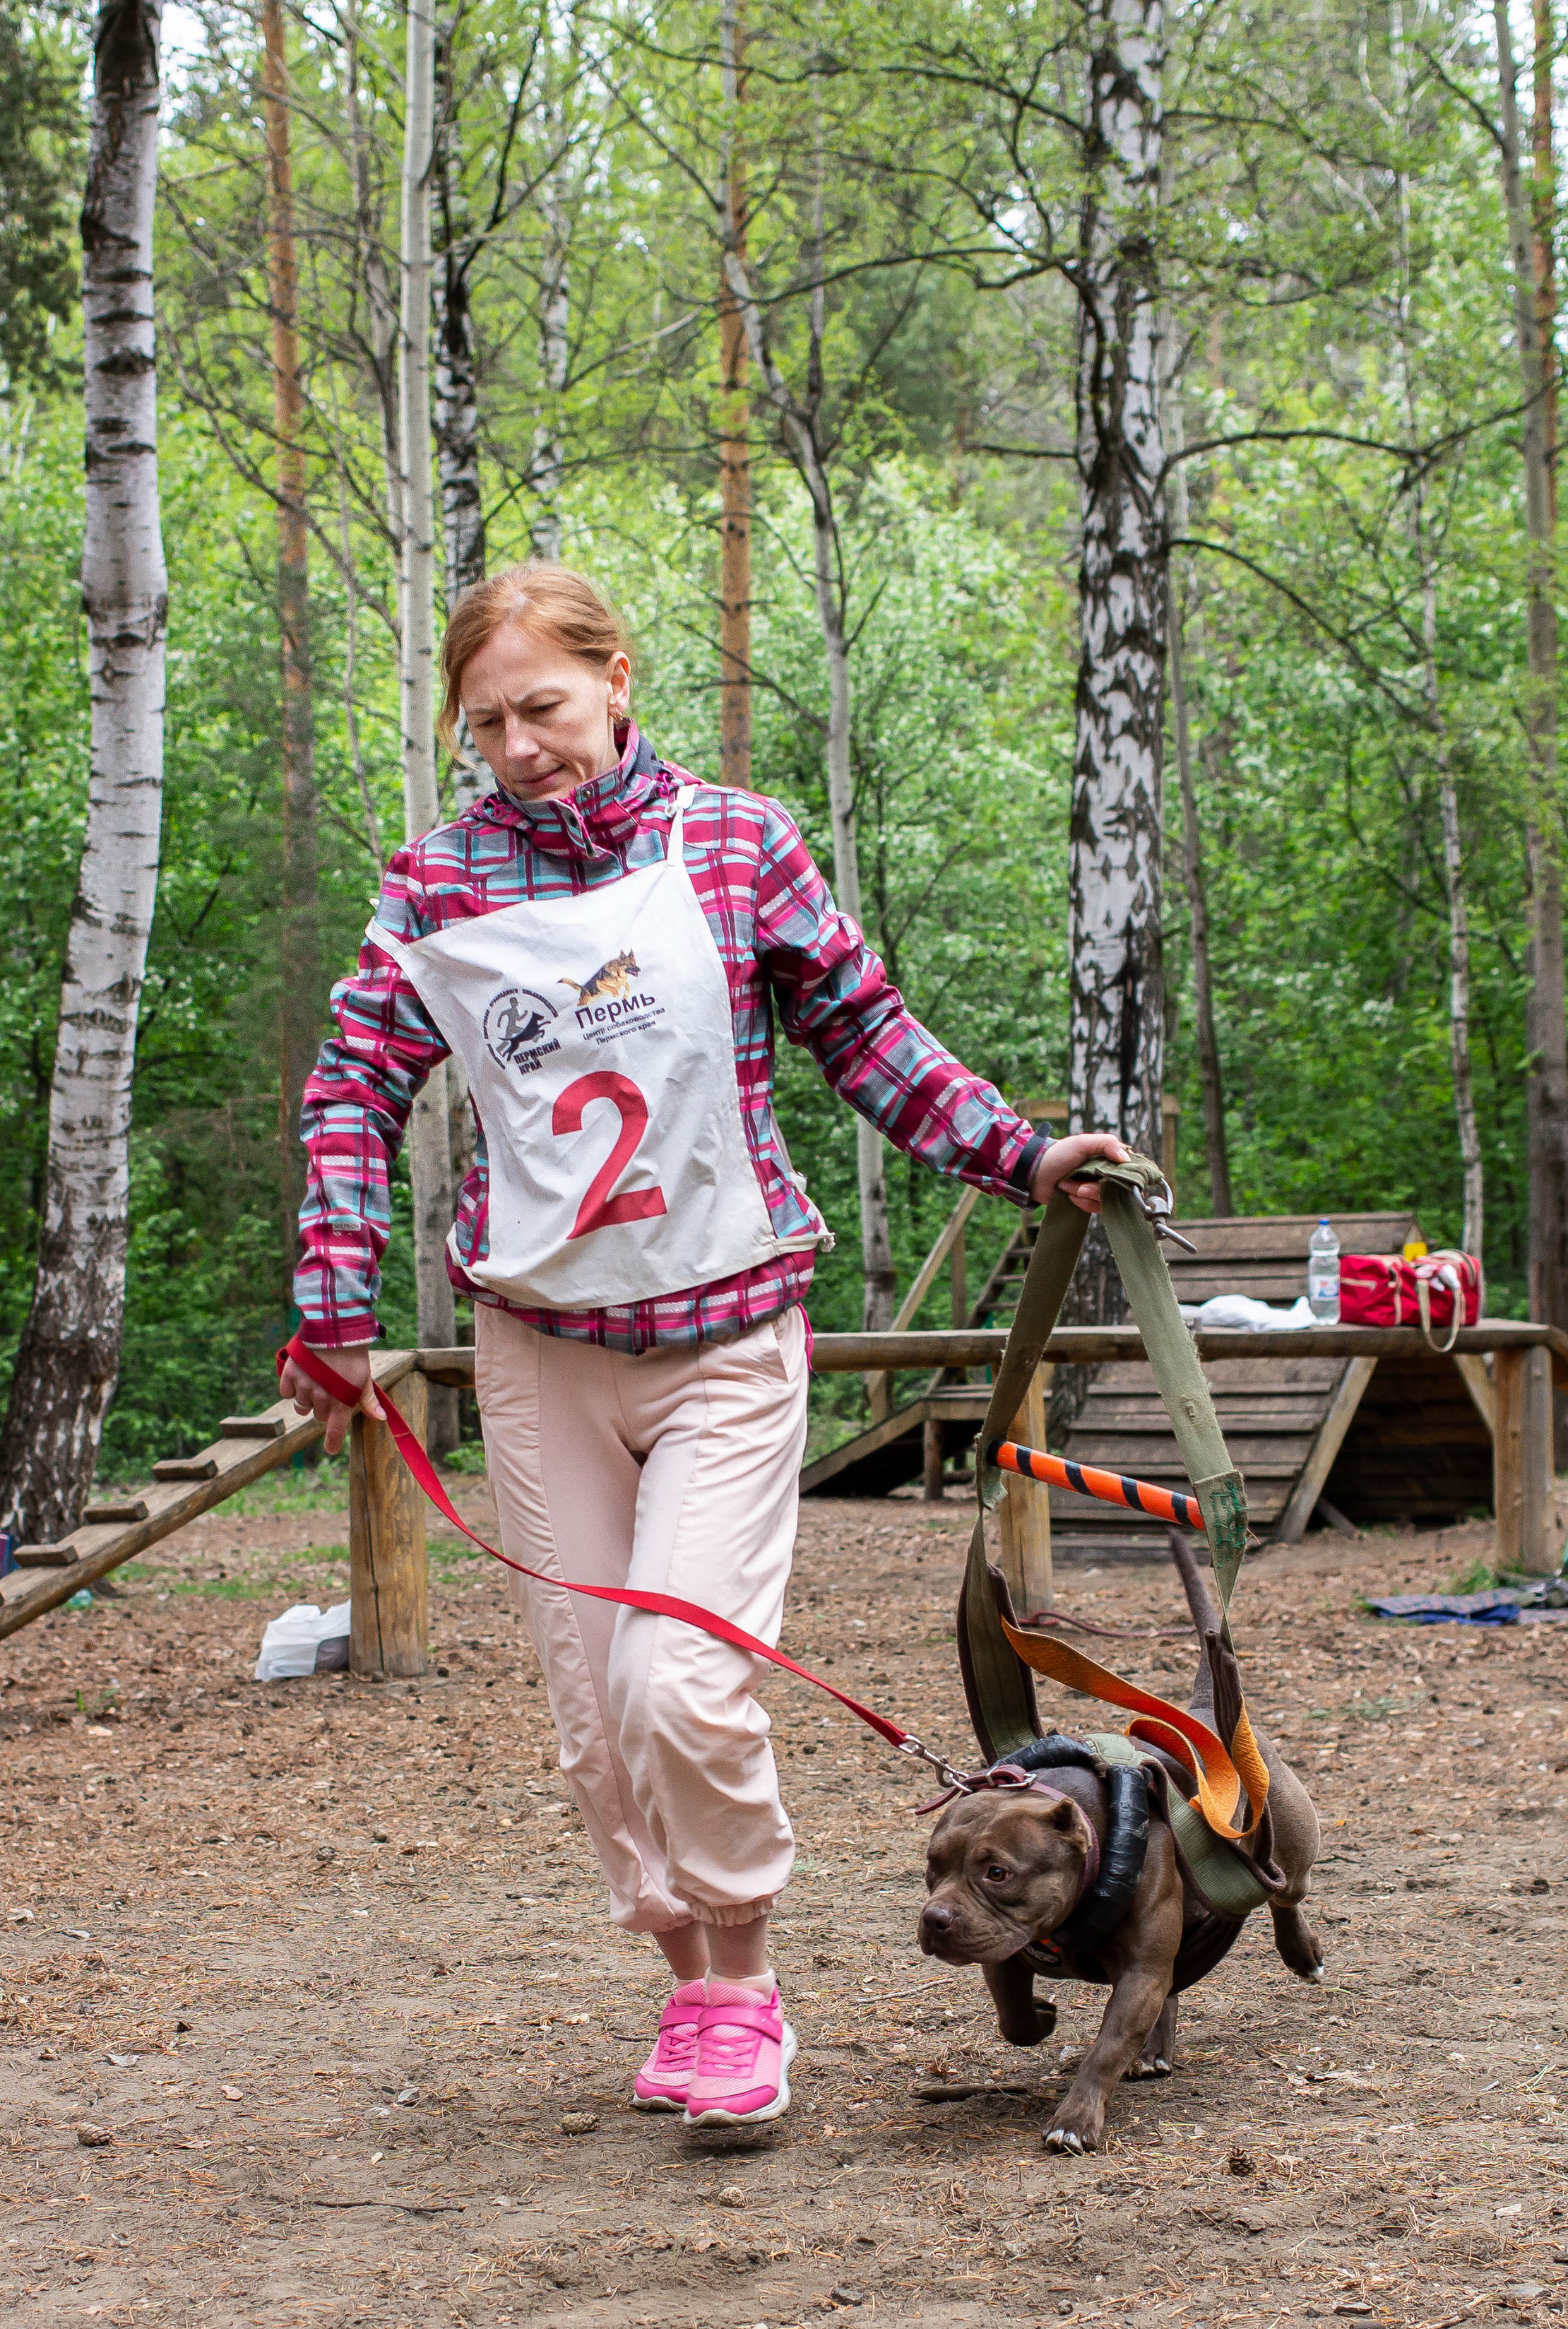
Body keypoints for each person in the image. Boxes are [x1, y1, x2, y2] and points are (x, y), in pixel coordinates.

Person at [280, 562, 1125, 2131]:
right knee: (597, 1722)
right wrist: (335, 1309)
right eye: (485, 725)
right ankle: (691, 1985)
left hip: (727, 1332)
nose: (519, 747)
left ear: (616, 682)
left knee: (676, 1683)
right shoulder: (437, 885)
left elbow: (865, 1033)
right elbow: (351, 1086)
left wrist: (1021, 1155)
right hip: (542, 1349)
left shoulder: (734, 841)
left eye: (544, 707)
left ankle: (743, 1977)